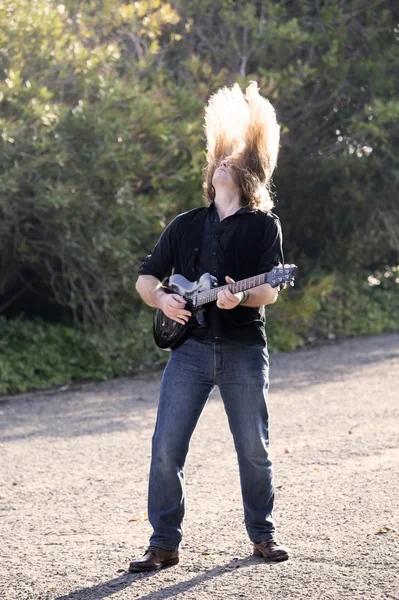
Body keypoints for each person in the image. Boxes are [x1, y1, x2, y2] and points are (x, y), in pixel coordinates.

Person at [129, 82, 289, 572]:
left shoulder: (265, 226)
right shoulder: (185, 223)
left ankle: (262, 536)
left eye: (233, 160)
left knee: (254, 452)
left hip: (242, 348)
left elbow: (272, 291)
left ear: (248, 175)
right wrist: (162, 300)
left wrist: (242, 295)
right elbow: (145, 277)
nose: (223, 162)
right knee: (165, 450)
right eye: (220, 157)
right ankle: (163, 544)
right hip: (190, 351)